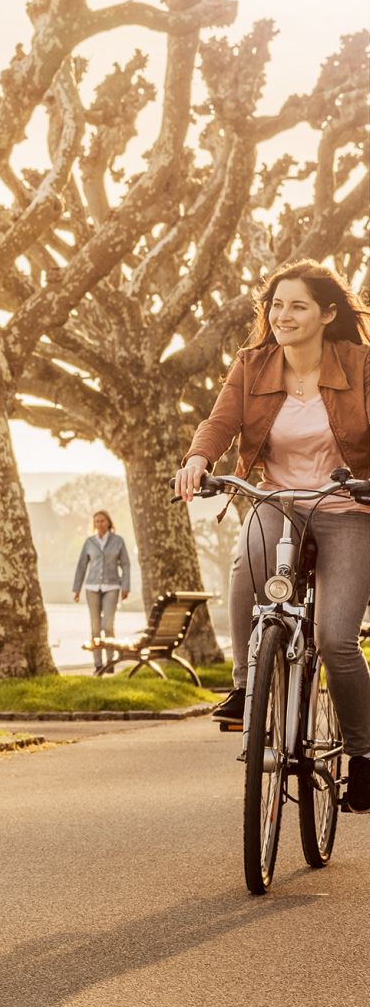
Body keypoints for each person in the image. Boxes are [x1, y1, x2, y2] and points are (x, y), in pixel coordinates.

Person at [173, 259, 370, 812]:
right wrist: (197, 459)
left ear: (327, 313)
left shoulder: (361, 364)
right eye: (276, 305)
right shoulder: (252, 365)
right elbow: (219, 423)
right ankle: (246, 686)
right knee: (247, 562)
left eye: (298, 305)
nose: (283, 315)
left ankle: (364, 754)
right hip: (276, 499)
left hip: (347, 507)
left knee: (336, 639)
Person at [71, 511, 132, 671]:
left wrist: (126, 586)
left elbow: (125, 564)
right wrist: (76, 589)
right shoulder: (90, 542)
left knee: (108, 625)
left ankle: (110, 662)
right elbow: (82, 566)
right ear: (94, 524)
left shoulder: (118, 541)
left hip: (112, 586)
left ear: (108, 522)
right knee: (95, 627)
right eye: (96, 521)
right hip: (92, 587)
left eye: (102, 521)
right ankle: (98, 664)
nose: (99, 524)